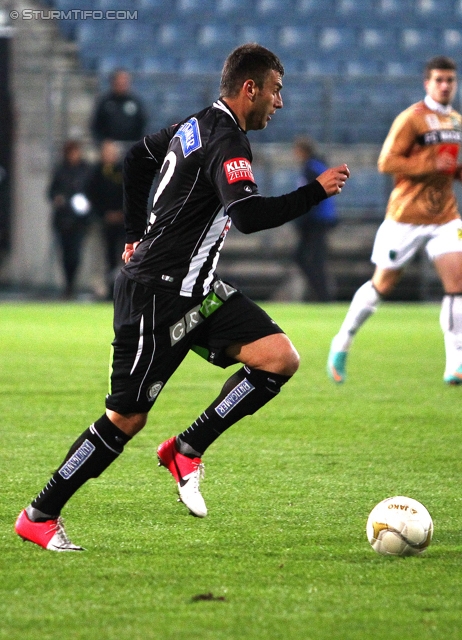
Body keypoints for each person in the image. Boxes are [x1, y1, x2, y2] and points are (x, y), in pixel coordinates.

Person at [15, 43, 349, 551]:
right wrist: (315, 191)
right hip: (157, 296)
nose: (280, 103)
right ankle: (40, 513)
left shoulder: (193, 125)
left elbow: (135, 159)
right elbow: (248, 216)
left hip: (199, 292)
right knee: (125, 418)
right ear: (249, 88)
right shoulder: (227, 141)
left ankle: (187, 447)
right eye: (276, 91)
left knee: (278, 359)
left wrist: (132, 233)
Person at [327, 55, 462, 386]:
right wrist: (432, 166)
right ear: (427, 83)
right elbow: (386, 162)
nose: (445, 85)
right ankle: (342, 341)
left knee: (457, 283)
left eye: (450, 80)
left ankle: (455, 363)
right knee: (382, 285)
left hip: (444, 213)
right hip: (405, 216)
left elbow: (450, 167)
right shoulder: (411, 119)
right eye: (439, 80)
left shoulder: (457, 122)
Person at [292, 136, 338, 301]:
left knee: (308, 259)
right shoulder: (317, 166)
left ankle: (322, 294)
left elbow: (311, 198)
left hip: (315, 222)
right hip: (320, 220)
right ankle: (321, 293)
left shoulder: (310, 169)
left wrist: (300, 221)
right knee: (310, 259)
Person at [47, 140, 93, 299]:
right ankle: (68, 286)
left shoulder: (86, 170)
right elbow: (51, 192)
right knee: (65, 254)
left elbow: (92, 191)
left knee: (75, 254)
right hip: (63, 219)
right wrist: (59, 199)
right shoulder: (60, 170)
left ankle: (72, 284)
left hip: (79, 220)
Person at [85, 140, 125, 299]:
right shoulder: (96, 172)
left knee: (125, 257)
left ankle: (123, 290)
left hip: (124, 222)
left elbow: (133, 193)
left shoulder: (124, 170)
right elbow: (92, 195)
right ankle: (108, 290)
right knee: (106, 258)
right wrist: (103, 214)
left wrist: (123, 213)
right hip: (104, 222)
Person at [90, 69, 148, 146]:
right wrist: (103, 142)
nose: (121, 83)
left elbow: (143, 124)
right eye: (119, 80)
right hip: (109, 147)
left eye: (124, 81)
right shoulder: (104, 102)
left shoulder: (135, 102)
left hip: (131, 146)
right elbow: (96, 125)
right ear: (113, 82)